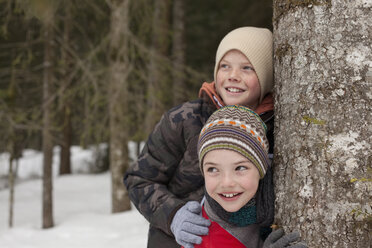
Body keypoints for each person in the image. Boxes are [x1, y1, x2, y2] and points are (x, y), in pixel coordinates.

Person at [124, 26, 275, 247]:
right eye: (225, 66)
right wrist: (173, 215)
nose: (233, 76)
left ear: (266, 75)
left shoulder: (278, 128)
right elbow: (139, 179)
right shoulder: (184, 120)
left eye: (247, 68)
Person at [170, 105, 306, 248]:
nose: (227, 182)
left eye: (240, 168)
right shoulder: (203, 237)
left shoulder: (270, 200)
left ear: (262, 169)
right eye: (213, 169)